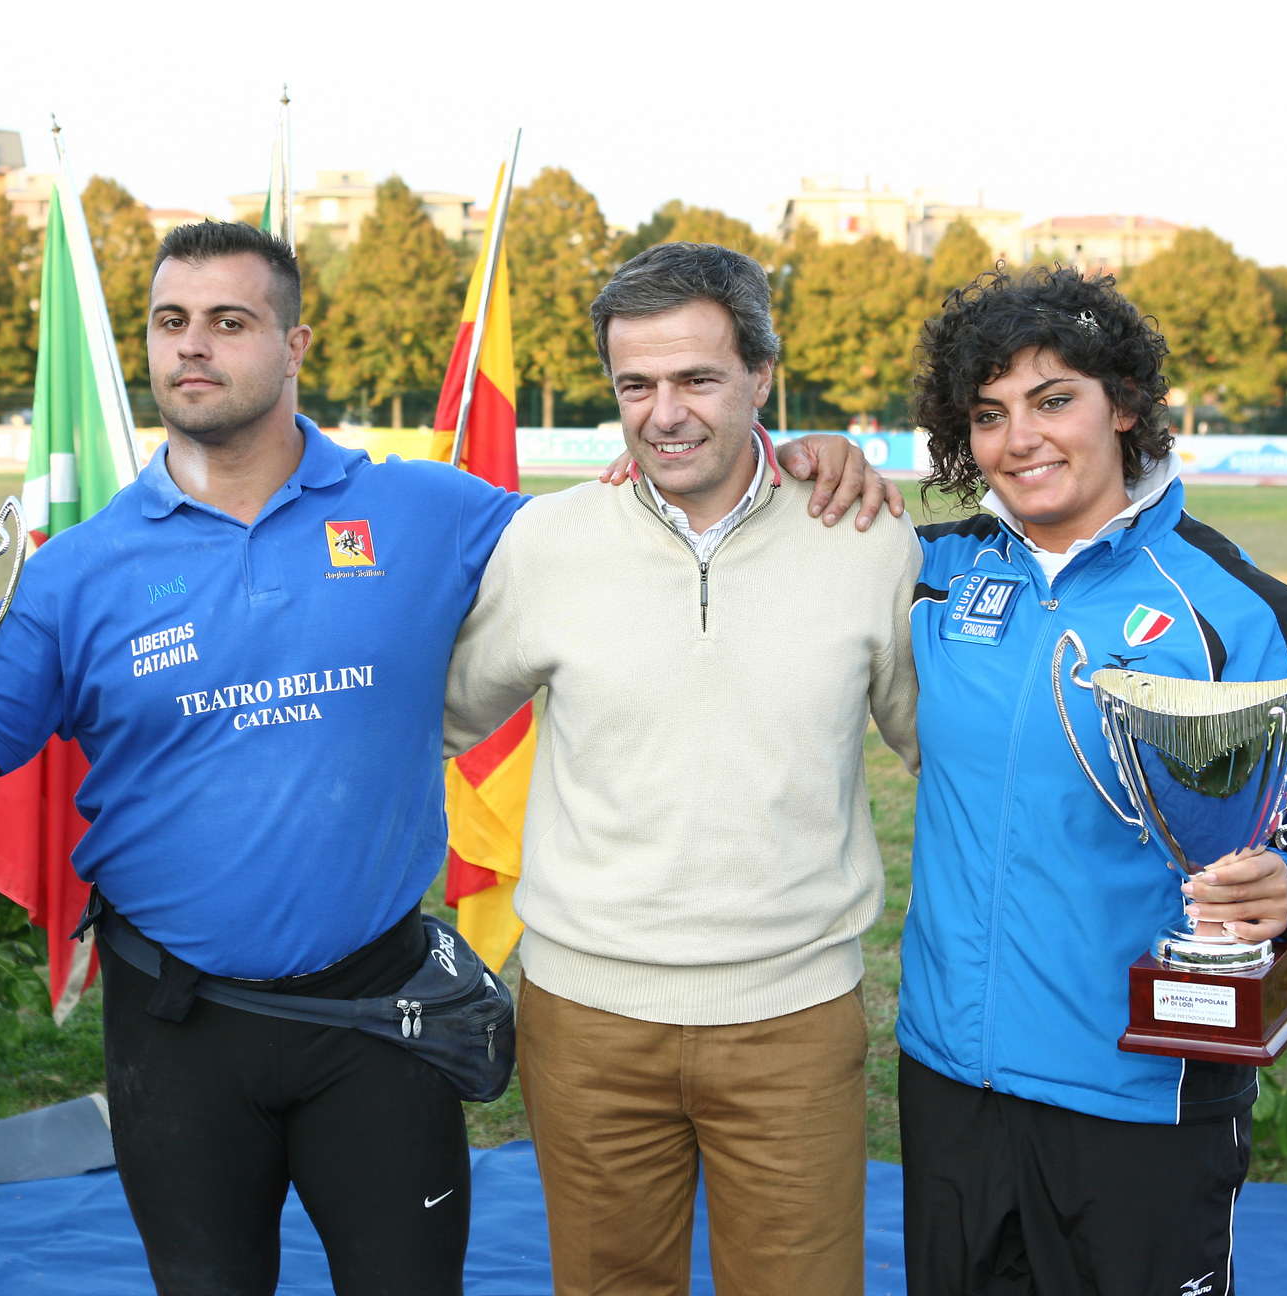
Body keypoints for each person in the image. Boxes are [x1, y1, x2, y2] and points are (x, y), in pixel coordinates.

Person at [0, 221, 897, 1294]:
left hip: (380, 1014)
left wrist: (800, 457)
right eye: (171, 321)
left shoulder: (426, 509)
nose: (193, 346)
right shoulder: (79, 568)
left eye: (229, 321)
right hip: (175, 1023)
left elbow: (634, 525)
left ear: (294, 345)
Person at [898, 265, 1287, 1295]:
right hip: (951, 1080)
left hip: (1144, 1096)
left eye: (1052, 400)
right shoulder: (929, 574)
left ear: (1123, 404)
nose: (1020, 439)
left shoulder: (1232, 605)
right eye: (988, 414)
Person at [440, 241, 920, 1296]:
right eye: (636, 385)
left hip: (794, 1018)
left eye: (698, 379)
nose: (665, 414)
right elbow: (432, 722)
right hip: (587, 1016)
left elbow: (943, 752)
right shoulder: (549, 540)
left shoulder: (868, 538)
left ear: (761, 376)